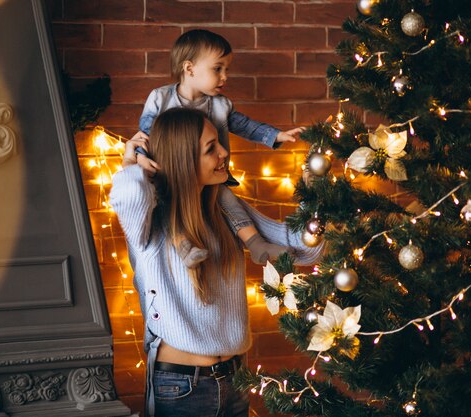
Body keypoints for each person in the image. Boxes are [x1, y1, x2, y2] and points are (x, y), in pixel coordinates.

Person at [110, 108, 323, 417]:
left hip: (236, 380)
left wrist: (315, 196)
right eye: (211, 148)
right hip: (181, 387)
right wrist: (132, 162)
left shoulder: (224, 211)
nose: (224, 151)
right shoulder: (151, 225)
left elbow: (305, 250)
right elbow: (128, 196)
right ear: (182, 160)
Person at [135, 29, 305, 267]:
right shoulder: (161, 98)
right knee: (168, 203)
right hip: (173, 173)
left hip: (210, 174)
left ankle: (255, 243)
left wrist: (276, 134)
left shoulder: (220, 105)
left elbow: (245, 125)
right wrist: (141, 159)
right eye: (218, 69)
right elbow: (144, 134)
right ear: (190, 68)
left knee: (226, 199)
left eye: (227, 69)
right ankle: (183, 245)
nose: (225, 76)